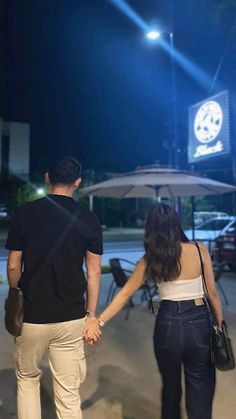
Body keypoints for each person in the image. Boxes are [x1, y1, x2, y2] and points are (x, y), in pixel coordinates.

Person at [84, 203, 223, 419]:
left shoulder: (150, 259)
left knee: (170, 388)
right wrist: (218, 325)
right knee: (201, 387)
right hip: (198, 324)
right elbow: (212, 294)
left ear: (152, 229)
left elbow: (124, 295)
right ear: (176, 224)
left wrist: (97, 321)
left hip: (167, 325)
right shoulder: (198, 249)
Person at [6, 156, 103, 419]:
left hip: (32, 315)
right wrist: (91, 315)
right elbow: (93, 272)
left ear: (47, 177)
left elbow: (14, 266)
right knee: (68, 392)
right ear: (78, 182)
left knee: (27, 379)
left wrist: (15, 292)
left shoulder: (25, 213)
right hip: (71, 316)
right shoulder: (89, 219)